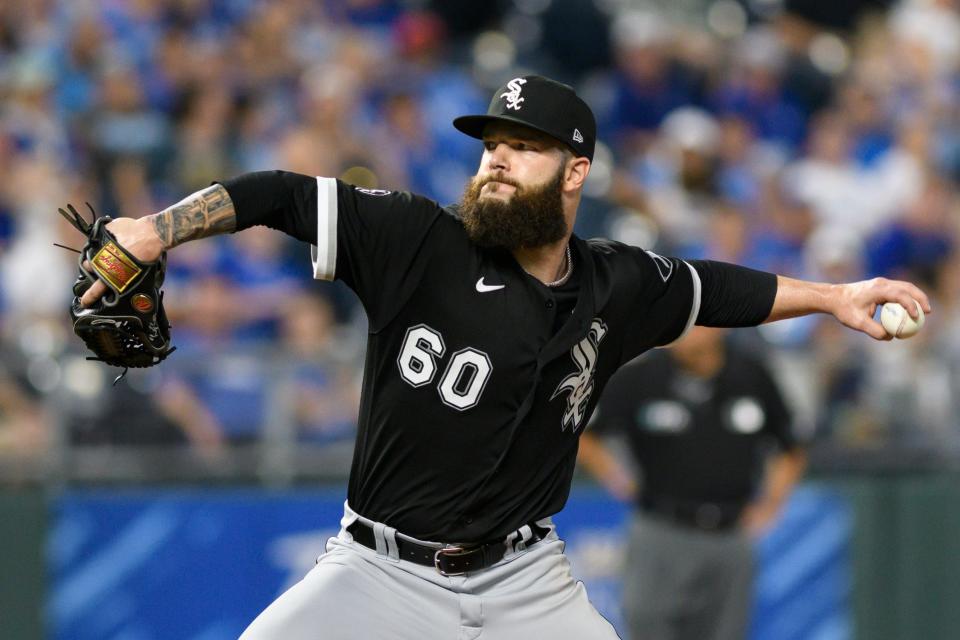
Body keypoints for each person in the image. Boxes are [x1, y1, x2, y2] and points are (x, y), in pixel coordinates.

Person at [78, 75, 929, 640]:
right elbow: (281, 196)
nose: (496, 156)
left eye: (521, 144)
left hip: (529, 583)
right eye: (490, 142)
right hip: (380, 570)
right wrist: (156, 230)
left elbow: (717, 289)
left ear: (575, 170)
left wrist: (834, 297)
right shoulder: (416, 239)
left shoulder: (615, 284)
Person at [578, 325, 807, 640]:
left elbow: (790, 448)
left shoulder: (751, 375)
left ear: (721, 326)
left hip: (730, 534)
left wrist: (771, 505)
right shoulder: (641, 377)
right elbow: (586, 435)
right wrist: (617, 478)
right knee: (649, 628)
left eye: (695, 320)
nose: (682, 329)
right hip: (661, 530)